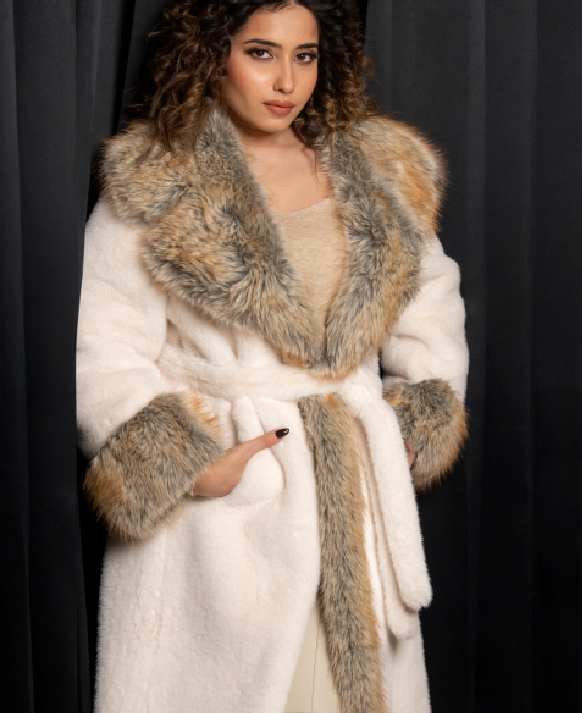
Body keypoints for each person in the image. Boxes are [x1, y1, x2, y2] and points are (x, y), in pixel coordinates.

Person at [76, 1, 468, 712]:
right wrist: (191, 463)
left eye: (304, 55)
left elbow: (431, 305)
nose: (287, 80)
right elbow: (102, 349)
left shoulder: (380, 171)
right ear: (211, 55)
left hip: (354, 492)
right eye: (261, 52)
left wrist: (414, 419)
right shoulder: (156, 182)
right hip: (227, 519)